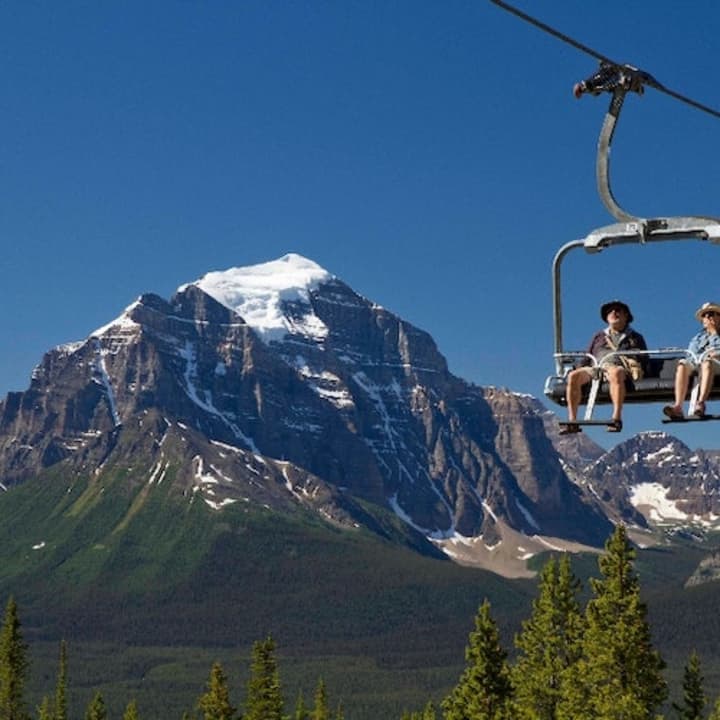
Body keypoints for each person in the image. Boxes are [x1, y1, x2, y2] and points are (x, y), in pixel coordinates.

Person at [561, 300, 647, 434]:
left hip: (618, 367)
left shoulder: (635, 337)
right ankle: (572, 420)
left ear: (626, 316)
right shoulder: (599, 336)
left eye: (617, 310)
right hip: (596, 367)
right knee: (574, 377)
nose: (614, 313)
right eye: (610, 311)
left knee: (615, 372)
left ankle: (616, 417)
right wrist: (577, 368)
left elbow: (643, 357)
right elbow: (587, 356)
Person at [662, 301, 720, 420]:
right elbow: (692, 353)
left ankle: (700, 403)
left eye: (711, 314)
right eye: (705, 315)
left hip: (716, 364)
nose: (707, 317)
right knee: (682, 364)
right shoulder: (698, 337)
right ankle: (678, 406)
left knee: (707, 363)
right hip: (699, 362)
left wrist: (714, 333)